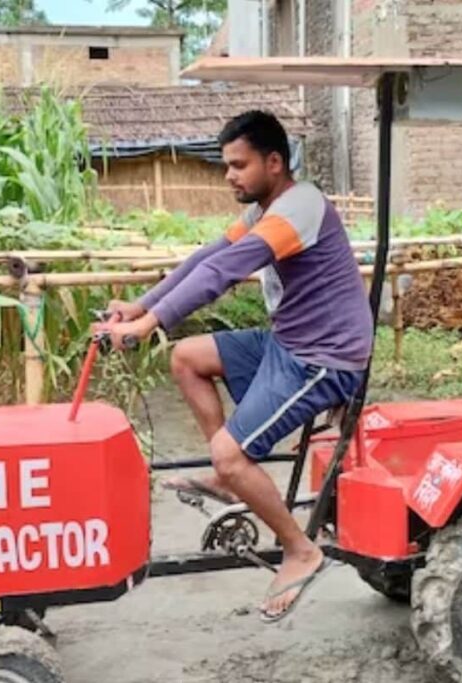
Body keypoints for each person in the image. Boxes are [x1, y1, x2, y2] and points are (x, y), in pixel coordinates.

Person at [97, 110, 373, 622]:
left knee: (229, 454)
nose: (229, 176)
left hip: (324, 356)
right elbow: (207, 257)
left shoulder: (300, 207)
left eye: (239, 165)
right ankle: (231, 477)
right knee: (186, 357)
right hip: (288, 342)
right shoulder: (266, 211)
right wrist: (141, 307)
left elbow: (225, 271)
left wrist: (150, 323)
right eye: (226, 165)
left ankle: (299, 549)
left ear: (274, 162)